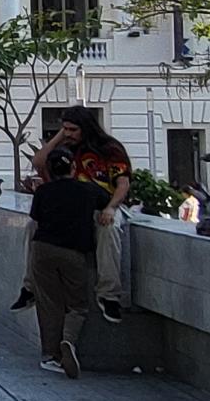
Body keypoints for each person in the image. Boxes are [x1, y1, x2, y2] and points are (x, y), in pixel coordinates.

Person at [27, 106, 132, 323]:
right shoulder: (66, 150)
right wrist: (60, 134)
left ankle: (109, 295)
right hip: (72, 208)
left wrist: (111, 207)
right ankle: (29, 287)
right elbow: (38, 162)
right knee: (34, 227)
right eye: (65, 129)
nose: (69, 134)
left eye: (73, 129)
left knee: (109, 228)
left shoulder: (111, 149)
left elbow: (122, 183)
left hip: (103, 206)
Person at [28, 148, 108, 378]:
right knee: (77, 304)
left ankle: (50, 355)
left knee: (48, 304)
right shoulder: (88, 190)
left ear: (50, 171)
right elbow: (107, 204)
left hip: (43, 250)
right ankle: (68, 340)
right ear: (74, 168)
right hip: (74, 252)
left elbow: (35, 220)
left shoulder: (43, 191)